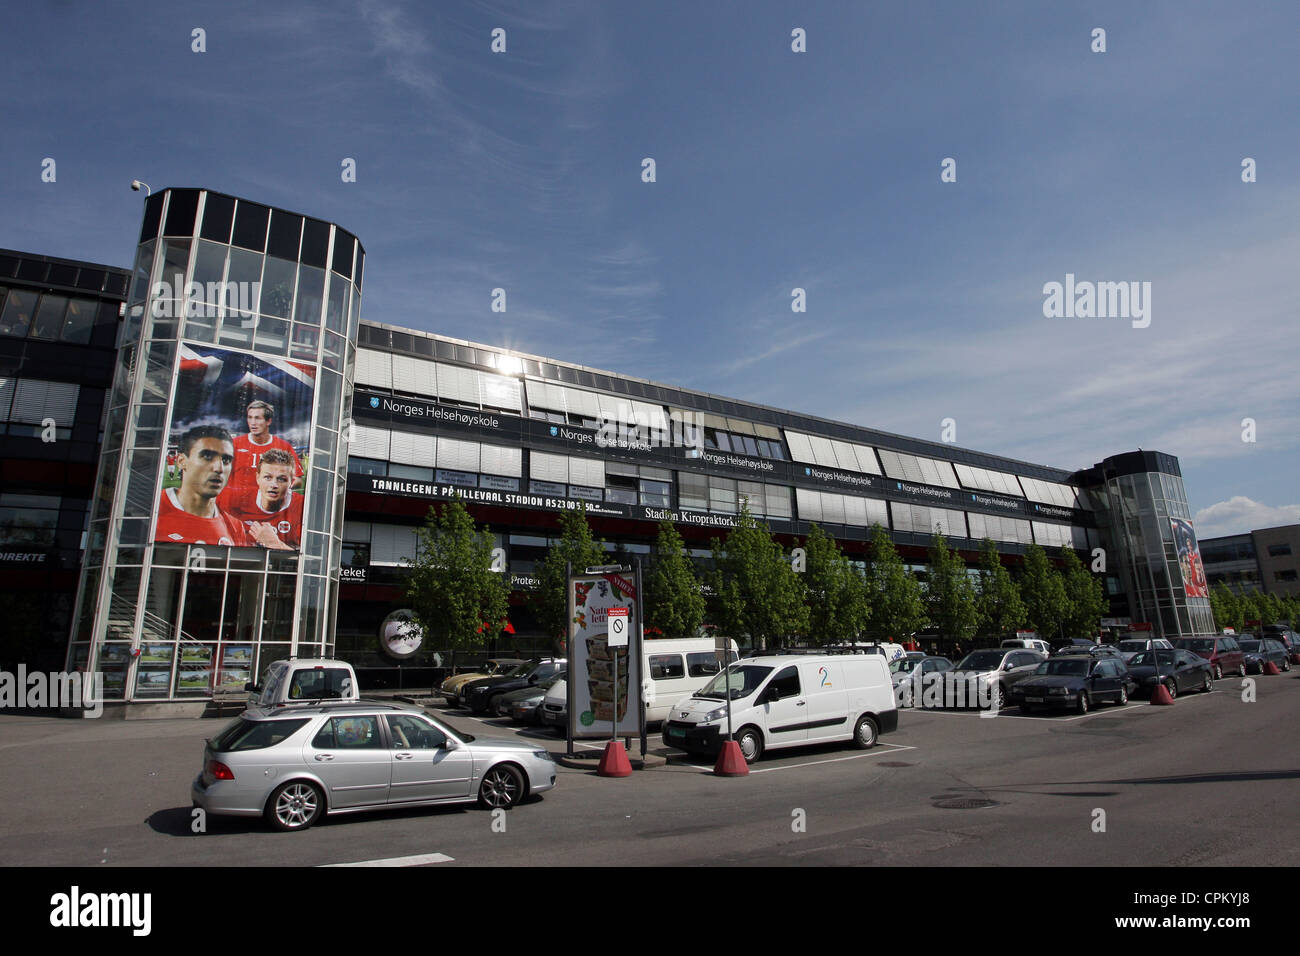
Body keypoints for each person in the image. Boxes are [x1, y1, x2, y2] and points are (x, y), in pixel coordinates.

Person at [155, 425, 251, 546]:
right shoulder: (153, 508)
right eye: (207, 457)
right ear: (181, 461)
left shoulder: (235, 527)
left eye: (226, 460)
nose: (219, 468)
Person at [218, 400, 304, 512]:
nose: (253, 423)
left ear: (268, 421)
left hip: (266, 509)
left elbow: (298, 480)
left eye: (257, 418)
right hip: (235, 509)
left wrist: (275, 488)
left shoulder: (283, 447)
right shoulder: (234, 444)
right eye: (250, 417)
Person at [222, 448, 304, 550]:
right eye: (268, 478)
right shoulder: (235, 498)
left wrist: (274, 544)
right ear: (258, 478)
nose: (274, 485)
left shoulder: (303, 508)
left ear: (292, 482)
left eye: (281, 479)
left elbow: (310, 560)